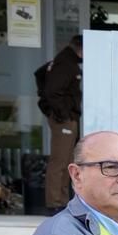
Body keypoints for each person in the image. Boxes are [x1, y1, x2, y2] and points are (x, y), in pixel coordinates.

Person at [35, 35, 82, 211]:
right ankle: (55, 202)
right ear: (80, 48)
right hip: (64, 120)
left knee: (67, 160)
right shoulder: (65, 64)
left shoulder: (63, 62)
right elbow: (53, 91)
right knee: (60, 161)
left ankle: (61, 201)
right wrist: (63, 114)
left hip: (67, 118)